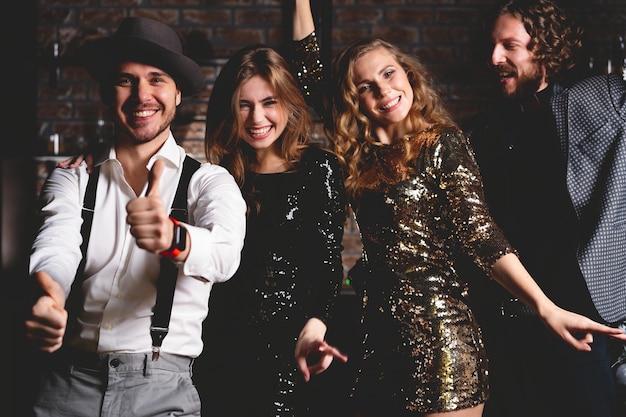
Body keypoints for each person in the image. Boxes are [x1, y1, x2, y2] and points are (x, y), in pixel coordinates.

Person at [289, 0, 626, 416]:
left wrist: (546, 308)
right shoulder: (366, 152)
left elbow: (480, 234)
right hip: (385, 339)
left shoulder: (444, 142)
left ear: (408, 74)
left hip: (445, 335)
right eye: (365, 85)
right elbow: (308, 70)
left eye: (389, 73)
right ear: (352, 98)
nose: (382, 89)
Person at [24, 16, 247, 417]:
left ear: (178, 93)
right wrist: (50, 298)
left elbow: (226, 252)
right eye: (125, 80)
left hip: (162, 387)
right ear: (108, 92)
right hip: (68, 383)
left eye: (157, 79)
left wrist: (172, 237)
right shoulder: (73, 176)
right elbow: (56, 243)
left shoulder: (210, 182)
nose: (142, 94)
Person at [458, 1, 626, 417]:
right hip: (505, 328)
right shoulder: (480, 132)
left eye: (509, 46)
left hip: (579, 325)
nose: (494, 57)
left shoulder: (596, 100)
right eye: (492, 45)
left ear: (546, 49)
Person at [193, 43, 349, 417]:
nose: (256, 117)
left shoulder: (319, 168)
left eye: (269, 102)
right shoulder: (218, 179)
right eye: (244, 104)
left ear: (289, 105)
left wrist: (315, 324)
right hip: (219, 350)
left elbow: (326, 263)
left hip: (290, 349)